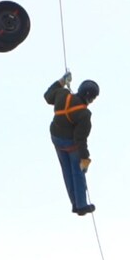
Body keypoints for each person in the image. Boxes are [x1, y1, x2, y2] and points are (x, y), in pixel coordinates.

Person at [44, 72, 100, 215]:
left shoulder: (63, 94)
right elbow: (80, 139)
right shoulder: (84, 115)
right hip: (70, 144)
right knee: (77, 172)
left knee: (66, 172)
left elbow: (47, 96)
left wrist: (62, 81)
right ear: (90, 98)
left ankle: (75, 204)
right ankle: (81, 206)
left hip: (56, 139)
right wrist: (84, 159)